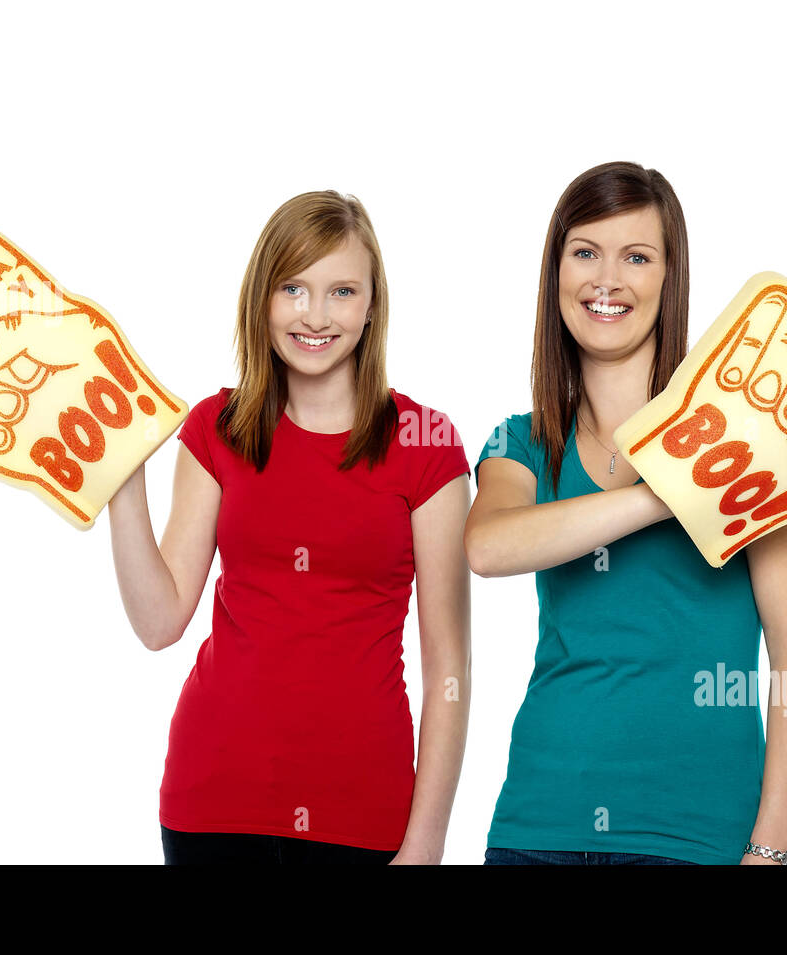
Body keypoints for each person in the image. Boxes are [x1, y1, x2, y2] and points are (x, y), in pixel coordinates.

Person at [465, 161, 787, 865]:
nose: (607, 279)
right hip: (537, 829)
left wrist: (772, 849)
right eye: (585, 253)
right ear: (556, 272)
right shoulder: (522, 442)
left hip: (696, 836)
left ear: (670, 276)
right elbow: (488, 547)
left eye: (636, 256)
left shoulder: (752, 442)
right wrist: (662, 494)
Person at [109, 191, 472, 864]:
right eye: (293, 288)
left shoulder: (426, 442)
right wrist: (121, 483)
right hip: (213, 802)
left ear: (372, 305)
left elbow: (448, 663)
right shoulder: (217, 427)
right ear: (263, 299)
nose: (315, 315)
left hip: (363, 812)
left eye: (342, 292)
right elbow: (159, 622)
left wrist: (427, 841)